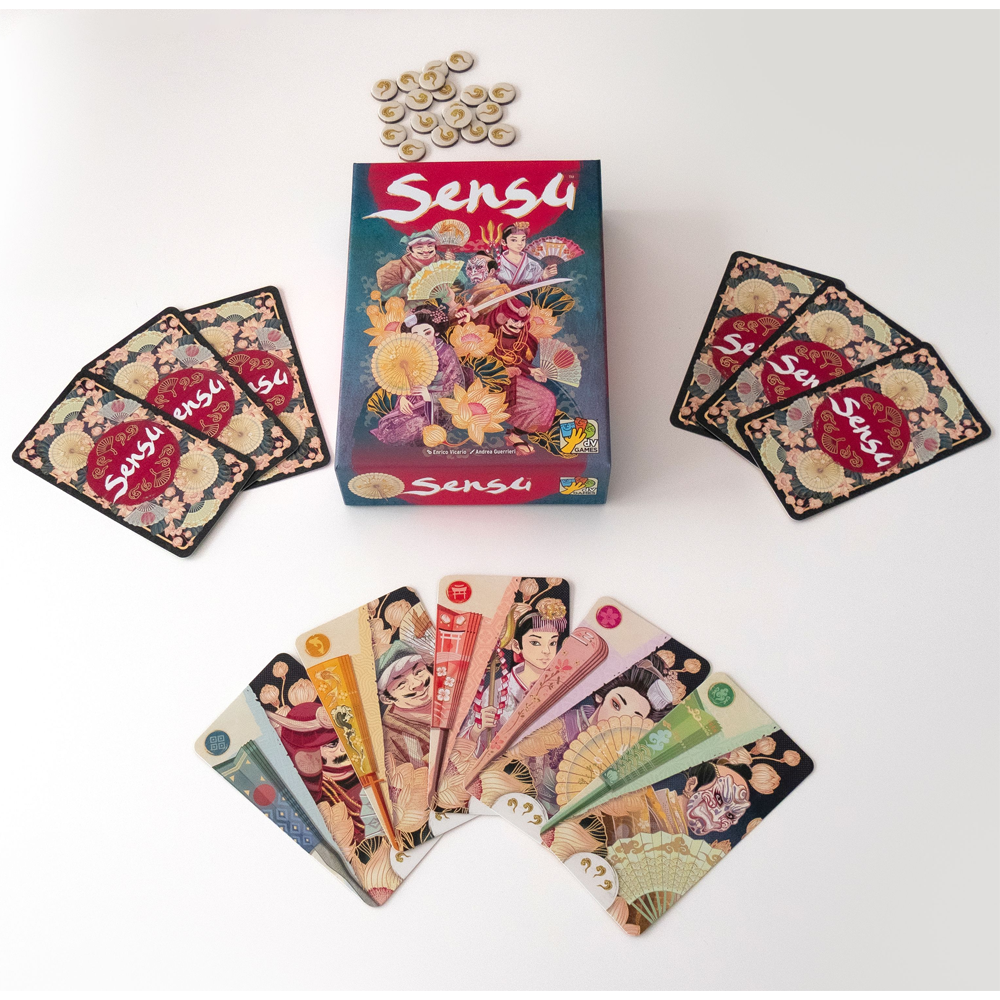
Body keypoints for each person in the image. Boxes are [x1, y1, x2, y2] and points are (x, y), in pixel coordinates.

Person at [459, 599, 568, 757]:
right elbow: (464, 749)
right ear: (517, 646)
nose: (546, 651)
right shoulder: (498, 689)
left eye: (552, 643)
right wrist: (477, 728)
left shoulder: (561, 684)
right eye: (536, 642)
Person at [371, 307, 466, 446]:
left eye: (427, 332)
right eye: (416, 334)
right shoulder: (411, 350)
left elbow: (455, 385)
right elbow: (404, 379)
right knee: (390, 425)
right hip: (414, 399)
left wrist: (429, 396)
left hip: (438, 405)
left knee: (420, 425)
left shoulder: (446, 352)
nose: (422, 338)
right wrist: (403, 398)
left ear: (436, 332)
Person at [488, 296, 557, 445]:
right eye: (514, 320)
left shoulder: (523, 337)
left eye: (522, 321)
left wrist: (532, 371)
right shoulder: (488, 333)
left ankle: (515, 434)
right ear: (503, 317)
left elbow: (516, 359)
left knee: (547, 400)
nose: (518, 325)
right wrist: (503, 371)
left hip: (512, 380)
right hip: (489, 382)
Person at [376, 640, 433, 770]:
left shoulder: (453, 693)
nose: (417, 683)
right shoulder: (390, 738)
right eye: (401, 684)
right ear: (386, 698)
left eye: (418, 671)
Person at [376, 232, 455, 300]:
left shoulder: (442, 263)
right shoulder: (394, 267)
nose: (426, 250)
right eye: (419, 247)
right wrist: (412, 290)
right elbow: (388, 293)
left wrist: (451, 265)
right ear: (409, 249)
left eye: (430, 246)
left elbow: (458, 286)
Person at [494, 222, 557, 289]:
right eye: (514, 240)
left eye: (523, 239)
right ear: (503, 242)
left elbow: (537, 286)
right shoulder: (495, 263)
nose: (520, 243)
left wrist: (544, 275)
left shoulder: (533, 264)